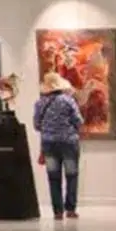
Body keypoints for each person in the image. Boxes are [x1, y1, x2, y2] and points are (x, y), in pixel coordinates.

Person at [33, 72, 84, 220]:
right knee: (71, 176)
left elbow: (37, 125)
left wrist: (50, 128)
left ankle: (57, 212)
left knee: (53, 177)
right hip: (69, 143)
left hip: (49, 144)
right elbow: (78, 121)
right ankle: (71, 209)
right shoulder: (68, 101)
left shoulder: (39, 103)